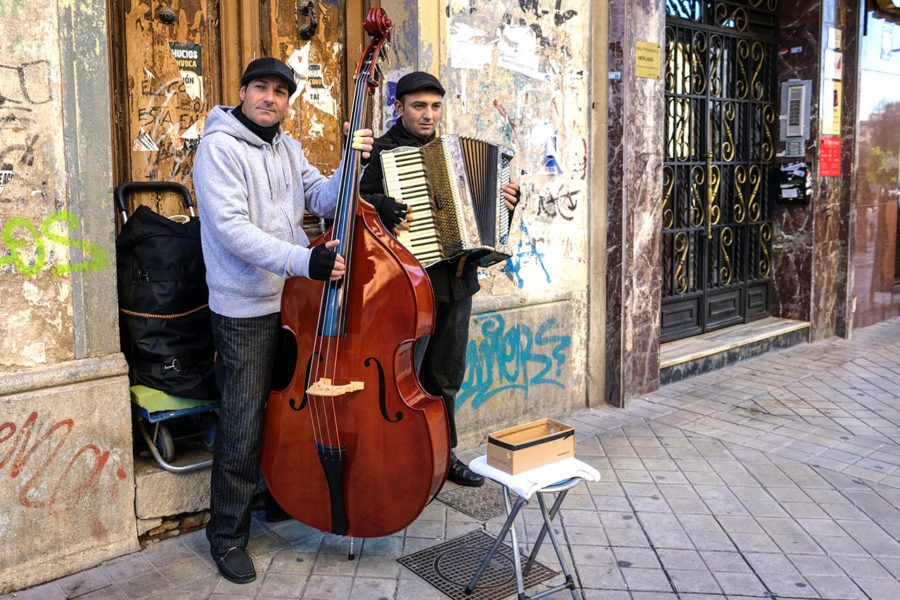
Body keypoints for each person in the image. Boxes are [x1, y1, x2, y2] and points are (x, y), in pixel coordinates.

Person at [192, 57, 373, 584]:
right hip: (245, 306)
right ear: (243, 92)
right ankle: (226, 535)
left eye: (280, 91)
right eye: (261, 88)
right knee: (244, 418)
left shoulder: (288, 148)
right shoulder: (219, 148)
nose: (271, 98)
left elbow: (322, 197)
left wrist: (350, 161)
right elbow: (231, 229)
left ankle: (275, 498)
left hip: (294, 304)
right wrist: (304, 260)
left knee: (282, 411)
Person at [359, 71, 521, 488]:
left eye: (434, 107)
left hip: (457, 283)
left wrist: (506, 205)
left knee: (446, 376)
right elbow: (352, 206)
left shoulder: (450, 152)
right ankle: (396, 458)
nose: (428, 114)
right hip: (407, 288)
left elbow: (482, 229)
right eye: (418, 106)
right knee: (405, 377)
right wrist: (381, 205)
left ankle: (442, 456)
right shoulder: (380, 154)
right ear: (399, 107)